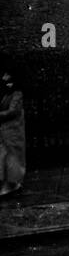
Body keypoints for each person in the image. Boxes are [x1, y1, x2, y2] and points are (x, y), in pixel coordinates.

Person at [0, 69, 25, 198]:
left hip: (13, 130)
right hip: (5, 130)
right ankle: (7, 183)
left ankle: (12, 184)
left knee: (12, 157)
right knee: (4, 156)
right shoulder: (5, 92)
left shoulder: (16, 93)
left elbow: (13, 111)